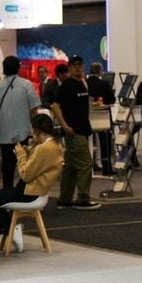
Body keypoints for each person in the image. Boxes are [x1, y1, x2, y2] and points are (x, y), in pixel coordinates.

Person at [0, 114, 64, 251]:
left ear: (38, 130)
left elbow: (26, 175)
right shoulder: (56, 145)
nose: (31, 133)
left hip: (29, 192)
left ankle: (10, 228)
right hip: (36, 191)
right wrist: (29, 152)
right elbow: (38, 166)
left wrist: (21, 155)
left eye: (32, 129)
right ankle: (9, 228)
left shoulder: (44, 148)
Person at [51, 55, 99, 209]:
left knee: (71, 167)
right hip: (73, 131)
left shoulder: (82, 84)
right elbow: (55, 106)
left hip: (82, 129)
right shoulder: (67, 86)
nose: (78, 67)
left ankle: (64, 200)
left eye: (80, 64)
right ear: (70, 68)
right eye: (74, 65)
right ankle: (83, 199)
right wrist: (65, 126)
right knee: (86, 164)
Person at [0, 55, 41, 188]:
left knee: (7, 168)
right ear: (18, 68)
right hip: (23, 134)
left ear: (4, 69)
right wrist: (36, 130)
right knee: (25, 166)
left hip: (4, 135)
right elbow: (34, 111)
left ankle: (7, 194)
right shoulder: (27, 85)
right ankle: (22, 193)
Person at [87, 62, 116, 174]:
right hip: (102, 118)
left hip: (87, 118)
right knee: (105, 141)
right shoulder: (104, 84)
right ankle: (106, 167)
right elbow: (112, 100)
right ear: (100, 71)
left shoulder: (84, 83)